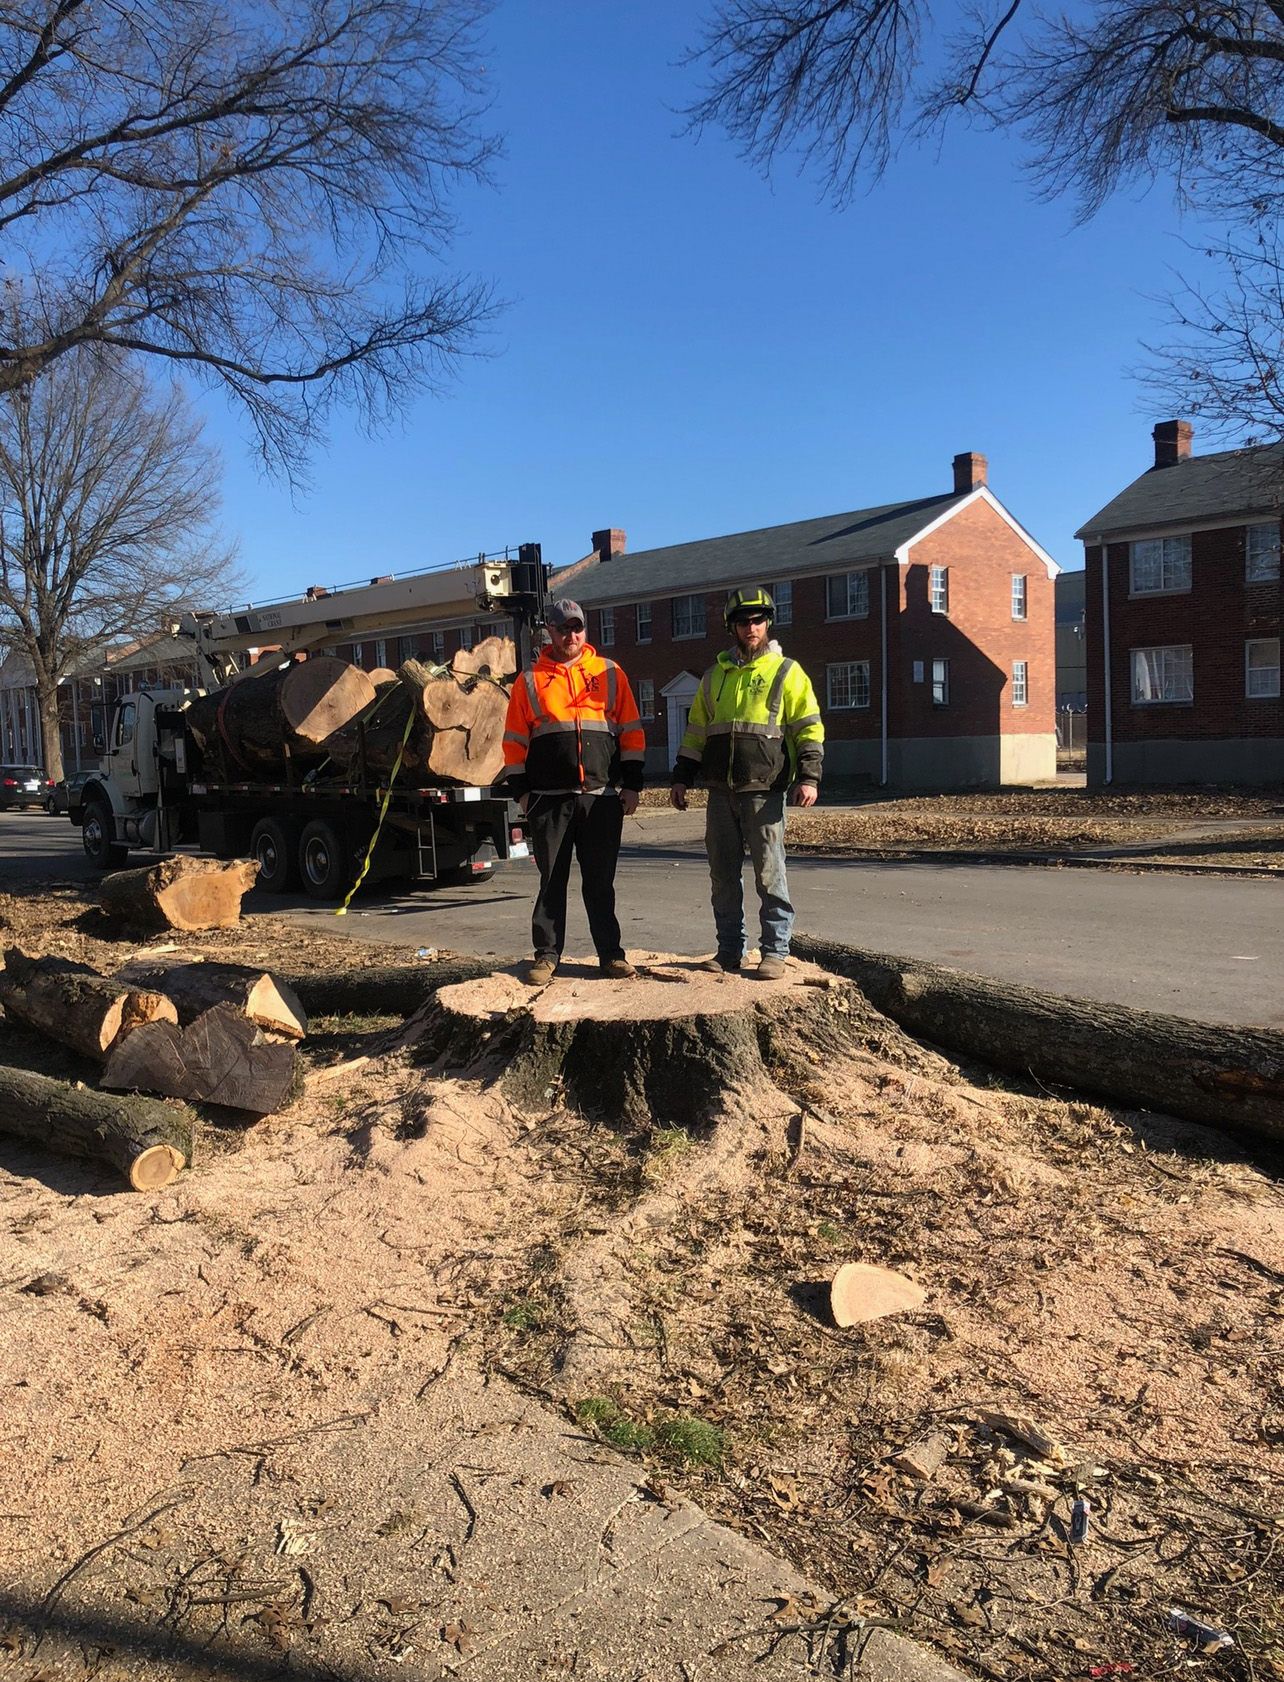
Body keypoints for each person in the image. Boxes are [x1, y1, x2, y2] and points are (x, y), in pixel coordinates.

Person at [669, 585, 823, 980]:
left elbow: (809, 728)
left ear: (768, 623)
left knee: (770, 873)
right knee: (722, 875)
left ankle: (774, 950)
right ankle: (729, 950)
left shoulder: (788, 672)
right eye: (743, 621)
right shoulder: (713, 677)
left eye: (757, 620)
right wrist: (681, 778)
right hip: (720, 792)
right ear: (732, 627)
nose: (751, 626)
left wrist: (809, 776)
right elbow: (695, 734)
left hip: (765, 790)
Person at [502, 598, 645, 985]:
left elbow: (631, 732)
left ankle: (611, 956)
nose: (572, 635)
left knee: (600, 882)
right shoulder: (529, 681)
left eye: (577, 627)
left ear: (585, 629)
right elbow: (513, 743)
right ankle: (547, 957)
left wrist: (631, 785)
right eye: (564, 628)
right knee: (551, 882)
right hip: (548, 801)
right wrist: (522, 794)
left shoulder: (610, 673)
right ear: (550, 631)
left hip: (600, 798)